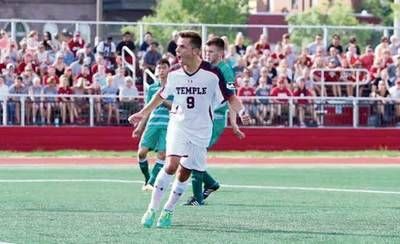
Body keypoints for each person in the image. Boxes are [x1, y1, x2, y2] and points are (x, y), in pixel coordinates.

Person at [128, 31, 249, 228]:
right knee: (171, 164)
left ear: (194, 50)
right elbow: (160, 95)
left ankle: (168, 210)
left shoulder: (212, 74)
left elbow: (230, 97)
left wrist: (242, 111)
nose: (177, 49)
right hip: (178, 125)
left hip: (201, 129)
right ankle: (151, 209)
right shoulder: (174, 73)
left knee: (185, 173)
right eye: (177, 46)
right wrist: (142, 112)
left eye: (182, 46)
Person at [184, 37, 245, 206]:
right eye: (206, 51)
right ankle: (210, 184)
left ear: (220, 53)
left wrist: (233, 122)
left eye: (210, 52)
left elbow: (232, 97)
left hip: (215, 119)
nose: (207, 54)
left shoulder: (226, 71)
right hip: (201, 117)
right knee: (189, 155)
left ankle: (198, 197)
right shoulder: (206, 67)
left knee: (194, 156)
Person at [132, 58, 173, 190]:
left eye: (164, 68)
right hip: (152, 124)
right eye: (159, 68)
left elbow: (176, 107)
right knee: (141, 153)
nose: (161, 71)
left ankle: (151, 182)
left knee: (162, 154)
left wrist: (162, 100)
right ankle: (147, 178)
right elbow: (148, 109)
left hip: (167, 125)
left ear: (169, 70)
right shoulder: (152, 88)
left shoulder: (174, 87)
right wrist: (139, 127)